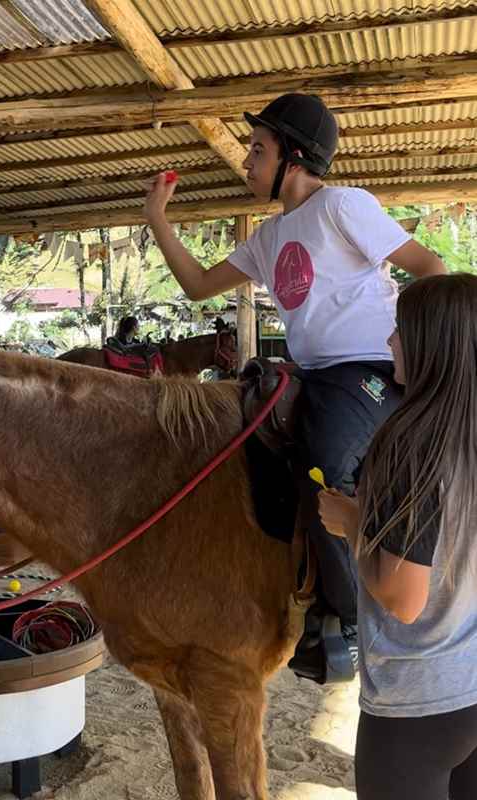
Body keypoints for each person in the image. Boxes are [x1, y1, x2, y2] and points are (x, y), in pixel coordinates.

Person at [144, 92, 446, 683]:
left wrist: (414, 351)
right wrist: (157, 218)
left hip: (369, 370)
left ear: (296, 157)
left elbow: (430, 268)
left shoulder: (343, 206)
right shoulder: (268, 237)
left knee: (326, 455)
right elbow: (200, 284)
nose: (247, 160)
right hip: (314, 373)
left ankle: (347, 617)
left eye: (258, 148)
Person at [318, 274, 477, 799]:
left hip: (419, 699)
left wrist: (353, 525)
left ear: (433, 343)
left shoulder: (410, 444)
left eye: (399, 331)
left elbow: (404, 598)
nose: (389, 344)